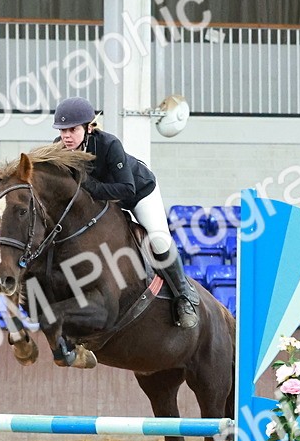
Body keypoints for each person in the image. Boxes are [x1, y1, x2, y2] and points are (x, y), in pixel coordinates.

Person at [51, 96, 199, 329]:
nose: (66, 136)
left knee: (159, 239)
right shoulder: (59, 150)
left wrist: (90, 186)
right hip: (105, 202)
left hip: (138, 192)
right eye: (62, 130)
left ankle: (184, 296)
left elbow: (126, 188)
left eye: (73, 129)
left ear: (89, 128)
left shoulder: (109, 145)